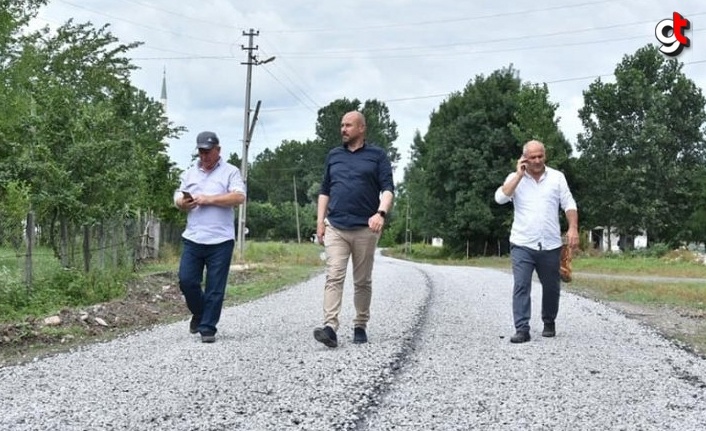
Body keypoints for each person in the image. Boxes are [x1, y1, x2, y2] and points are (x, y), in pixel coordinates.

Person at [313, 111, 395, 348]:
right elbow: (324, 190)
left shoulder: (377, 156)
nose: (343, 129)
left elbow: (388, 189)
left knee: (362, 281)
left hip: (365, 229)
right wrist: (320, 221)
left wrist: (381, 213)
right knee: (334, 275)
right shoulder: (334, 155)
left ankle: (360, 324)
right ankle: (330, 327)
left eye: (348, 125)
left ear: (361, 128)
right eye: (342, 125)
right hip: (336, 226)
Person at [494, 140, 579, 344]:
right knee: (521, 285)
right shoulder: (515, 179)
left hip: (550, 244)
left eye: (541, 156)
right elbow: (500, 198)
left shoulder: (557, 178)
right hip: (522, 243)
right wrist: (518, 175)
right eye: (533, 157)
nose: (538, 160)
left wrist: (573, 227)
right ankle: (522, 328)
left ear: (545, 155)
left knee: (551, 287)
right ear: (524, 158)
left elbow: (568, 203)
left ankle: (549, 321)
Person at [174, 131, 246, 343]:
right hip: (194, 236)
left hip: (220, 240)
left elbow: (239, 196)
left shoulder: (230, 172)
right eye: (201, 151)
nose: (204, 156)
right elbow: (178, 195)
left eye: (208, 151)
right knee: (187, 280)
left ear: (218, 150)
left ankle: (207, 328)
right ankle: (199, 312)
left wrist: (209, 199)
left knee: (215, 286)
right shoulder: (189, 173)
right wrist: (181, 202)